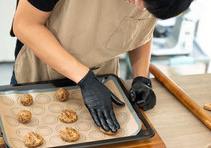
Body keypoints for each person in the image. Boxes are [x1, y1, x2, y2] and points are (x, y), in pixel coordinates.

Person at [10, 0, 193, 133]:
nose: (141, 7)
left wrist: (141, 78)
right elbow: (25, 24)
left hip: (102, 75)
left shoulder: (147, 2)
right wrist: (85, 79)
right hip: (41, 70)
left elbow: (140, 28)